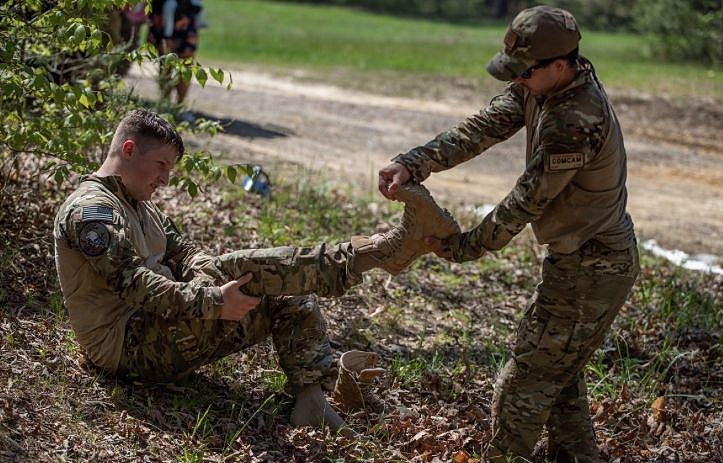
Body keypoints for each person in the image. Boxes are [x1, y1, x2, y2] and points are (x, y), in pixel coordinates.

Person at [53, 109, 459, 433]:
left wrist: (206, 274)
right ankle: (383, 251)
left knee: (274, 285)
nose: (166, 178)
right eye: (161, 165)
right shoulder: (92, 212)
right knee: (242, 272)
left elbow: (184, 252)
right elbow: (133, 285)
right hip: (126, 346)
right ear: (128, 150)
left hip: (157, 322)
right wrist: (213, 299)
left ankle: (311, 401)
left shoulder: (139, 202)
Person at [378, 6, 640, 462]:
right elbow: (479, 129)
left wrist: (463, 248)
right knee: (559, 377)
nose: (516, 81)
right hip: (578, 260)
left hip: (595, 265)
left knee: (527, 381)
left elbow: (524, 203)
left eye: (524, 73)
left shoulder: (575, 120)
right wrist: (413, 162)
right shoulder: (541, 84)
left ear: (559, 65)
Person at [147, 0, 202, 104]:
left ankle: (180, 105)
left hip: (186, 16)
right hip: (162, 15)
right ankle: (164, 102)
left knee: (186, 65)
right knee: (166, 64)